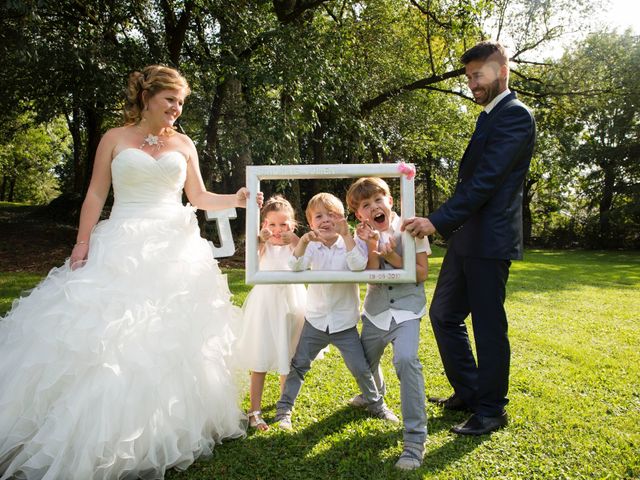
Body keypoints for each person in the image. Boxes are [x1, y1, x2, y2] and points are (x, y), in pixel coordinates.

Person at [0, 65, 263, 480]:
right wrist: (82, 242)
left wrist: (238, 197)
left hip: (175, 248)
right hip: (121, 241)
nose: (176, 108)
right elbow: (96, 193)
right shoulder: (114, 138)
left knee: (166, 337)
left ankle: (163, 428)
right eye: (170, 100)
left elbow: (197, 196)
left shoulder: (185, 143)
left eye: (181, 102)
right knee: (108, 334)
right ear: (147, 98)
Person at [402, 41, 536, 436]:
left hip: (491, 241)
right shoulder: (488, 118)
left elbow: (485, 183)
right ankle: (470, 391)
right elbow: (469, 185)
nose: (472, 85)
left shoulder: (515, 116)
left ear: (501, 70)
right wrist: (446, 222)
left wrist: (436, 221)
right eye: (469, 77)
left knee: (489, 326)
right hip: (466, 239)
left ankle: (492, 410)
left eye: (477, 76)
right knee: (444, 315)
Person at [273, 193, 399, 430]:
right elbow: (295, 266)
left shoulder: (351, 243)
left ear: (342, 219)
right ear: (311, 224)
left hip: (344, 323)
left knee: (361, 369)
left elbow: (357, 264)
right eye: (318, 216)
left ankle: (377, 405)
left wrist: (345, 236)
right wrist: (302, 242)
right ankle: (284, 411)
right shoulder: (311, 247)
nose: (325, 220)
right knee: (299, 364)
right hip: (316, 320)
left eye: (331, 215)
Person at [345, 177, 431, 471]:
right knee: (361, 365)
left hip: (407, 310)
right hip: (377, 312)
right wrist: (371, 246)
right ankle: (374, 394)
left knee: (406, 360)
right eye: (365, 206)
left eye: (378, 201)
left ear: (390, 202)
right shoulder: (362, 235)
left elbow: (421, 274)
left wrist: (392, 255)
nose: (373, 208)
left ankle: (414, 442)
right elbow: (370, 275)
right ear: (360, 215)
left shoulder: (412, 228)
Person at [235, 195, 307, 432]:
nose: (278, 230)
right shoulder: (262, 245)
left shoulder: (295, 244)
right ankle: (254, 411)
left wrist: (295, 239)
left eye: (284, 225)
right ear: (264, 225)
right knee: (261, 356)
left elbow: (306, 261)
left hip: (291, 302)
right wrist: (259, 241)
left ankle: (284, 408)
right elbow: (252, 264)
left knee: (289, 355)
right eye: (272, 224)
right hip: (266, 304)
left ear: (292, 225)